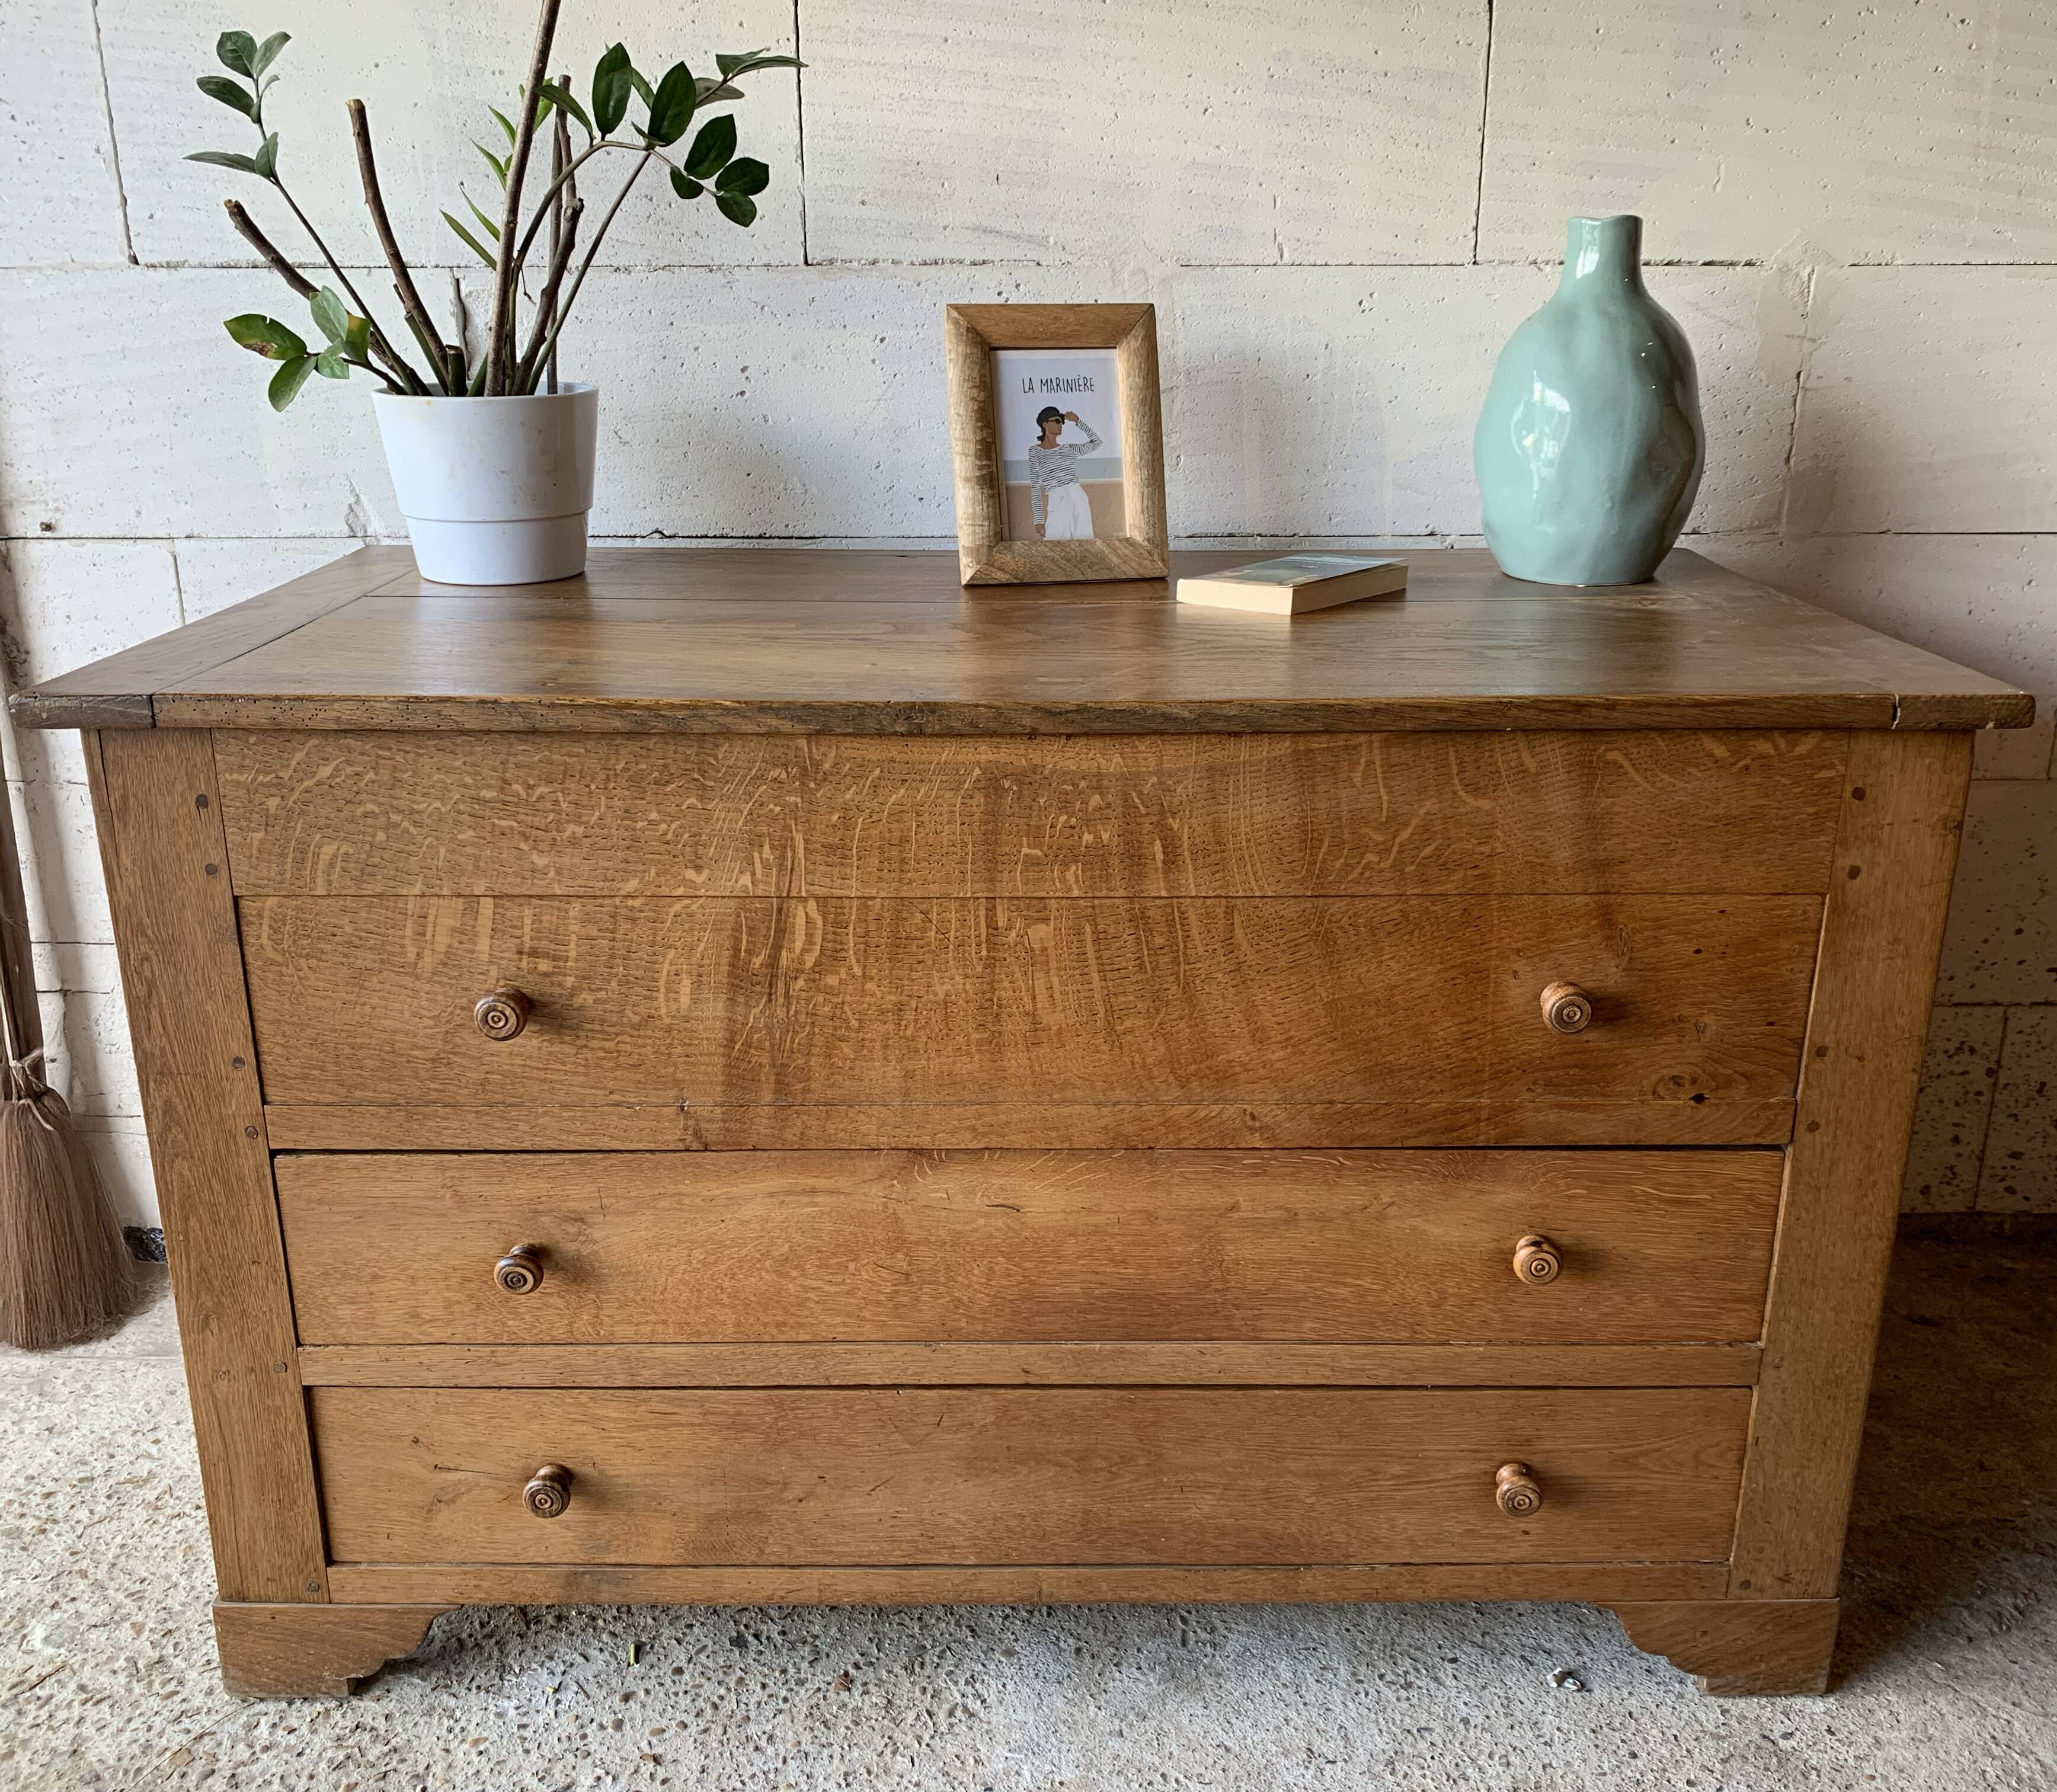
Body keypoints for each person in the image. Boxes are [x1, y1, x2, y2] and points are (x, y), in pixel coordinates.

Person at [1027, 406, 1102, 539]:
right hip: (1056, 498)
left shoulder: (1069, 449)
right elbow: (1035, 488)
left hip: (1077, 496)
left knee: (1084, 543)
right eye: (1056, 421)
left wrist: (1078, 422)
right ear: (1045, 424)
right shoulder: (1035, 452)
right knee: (1055, 544)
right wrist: (1038, 520)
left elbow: (1097, 442)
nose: (1060, 424)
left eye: (1062, 421)